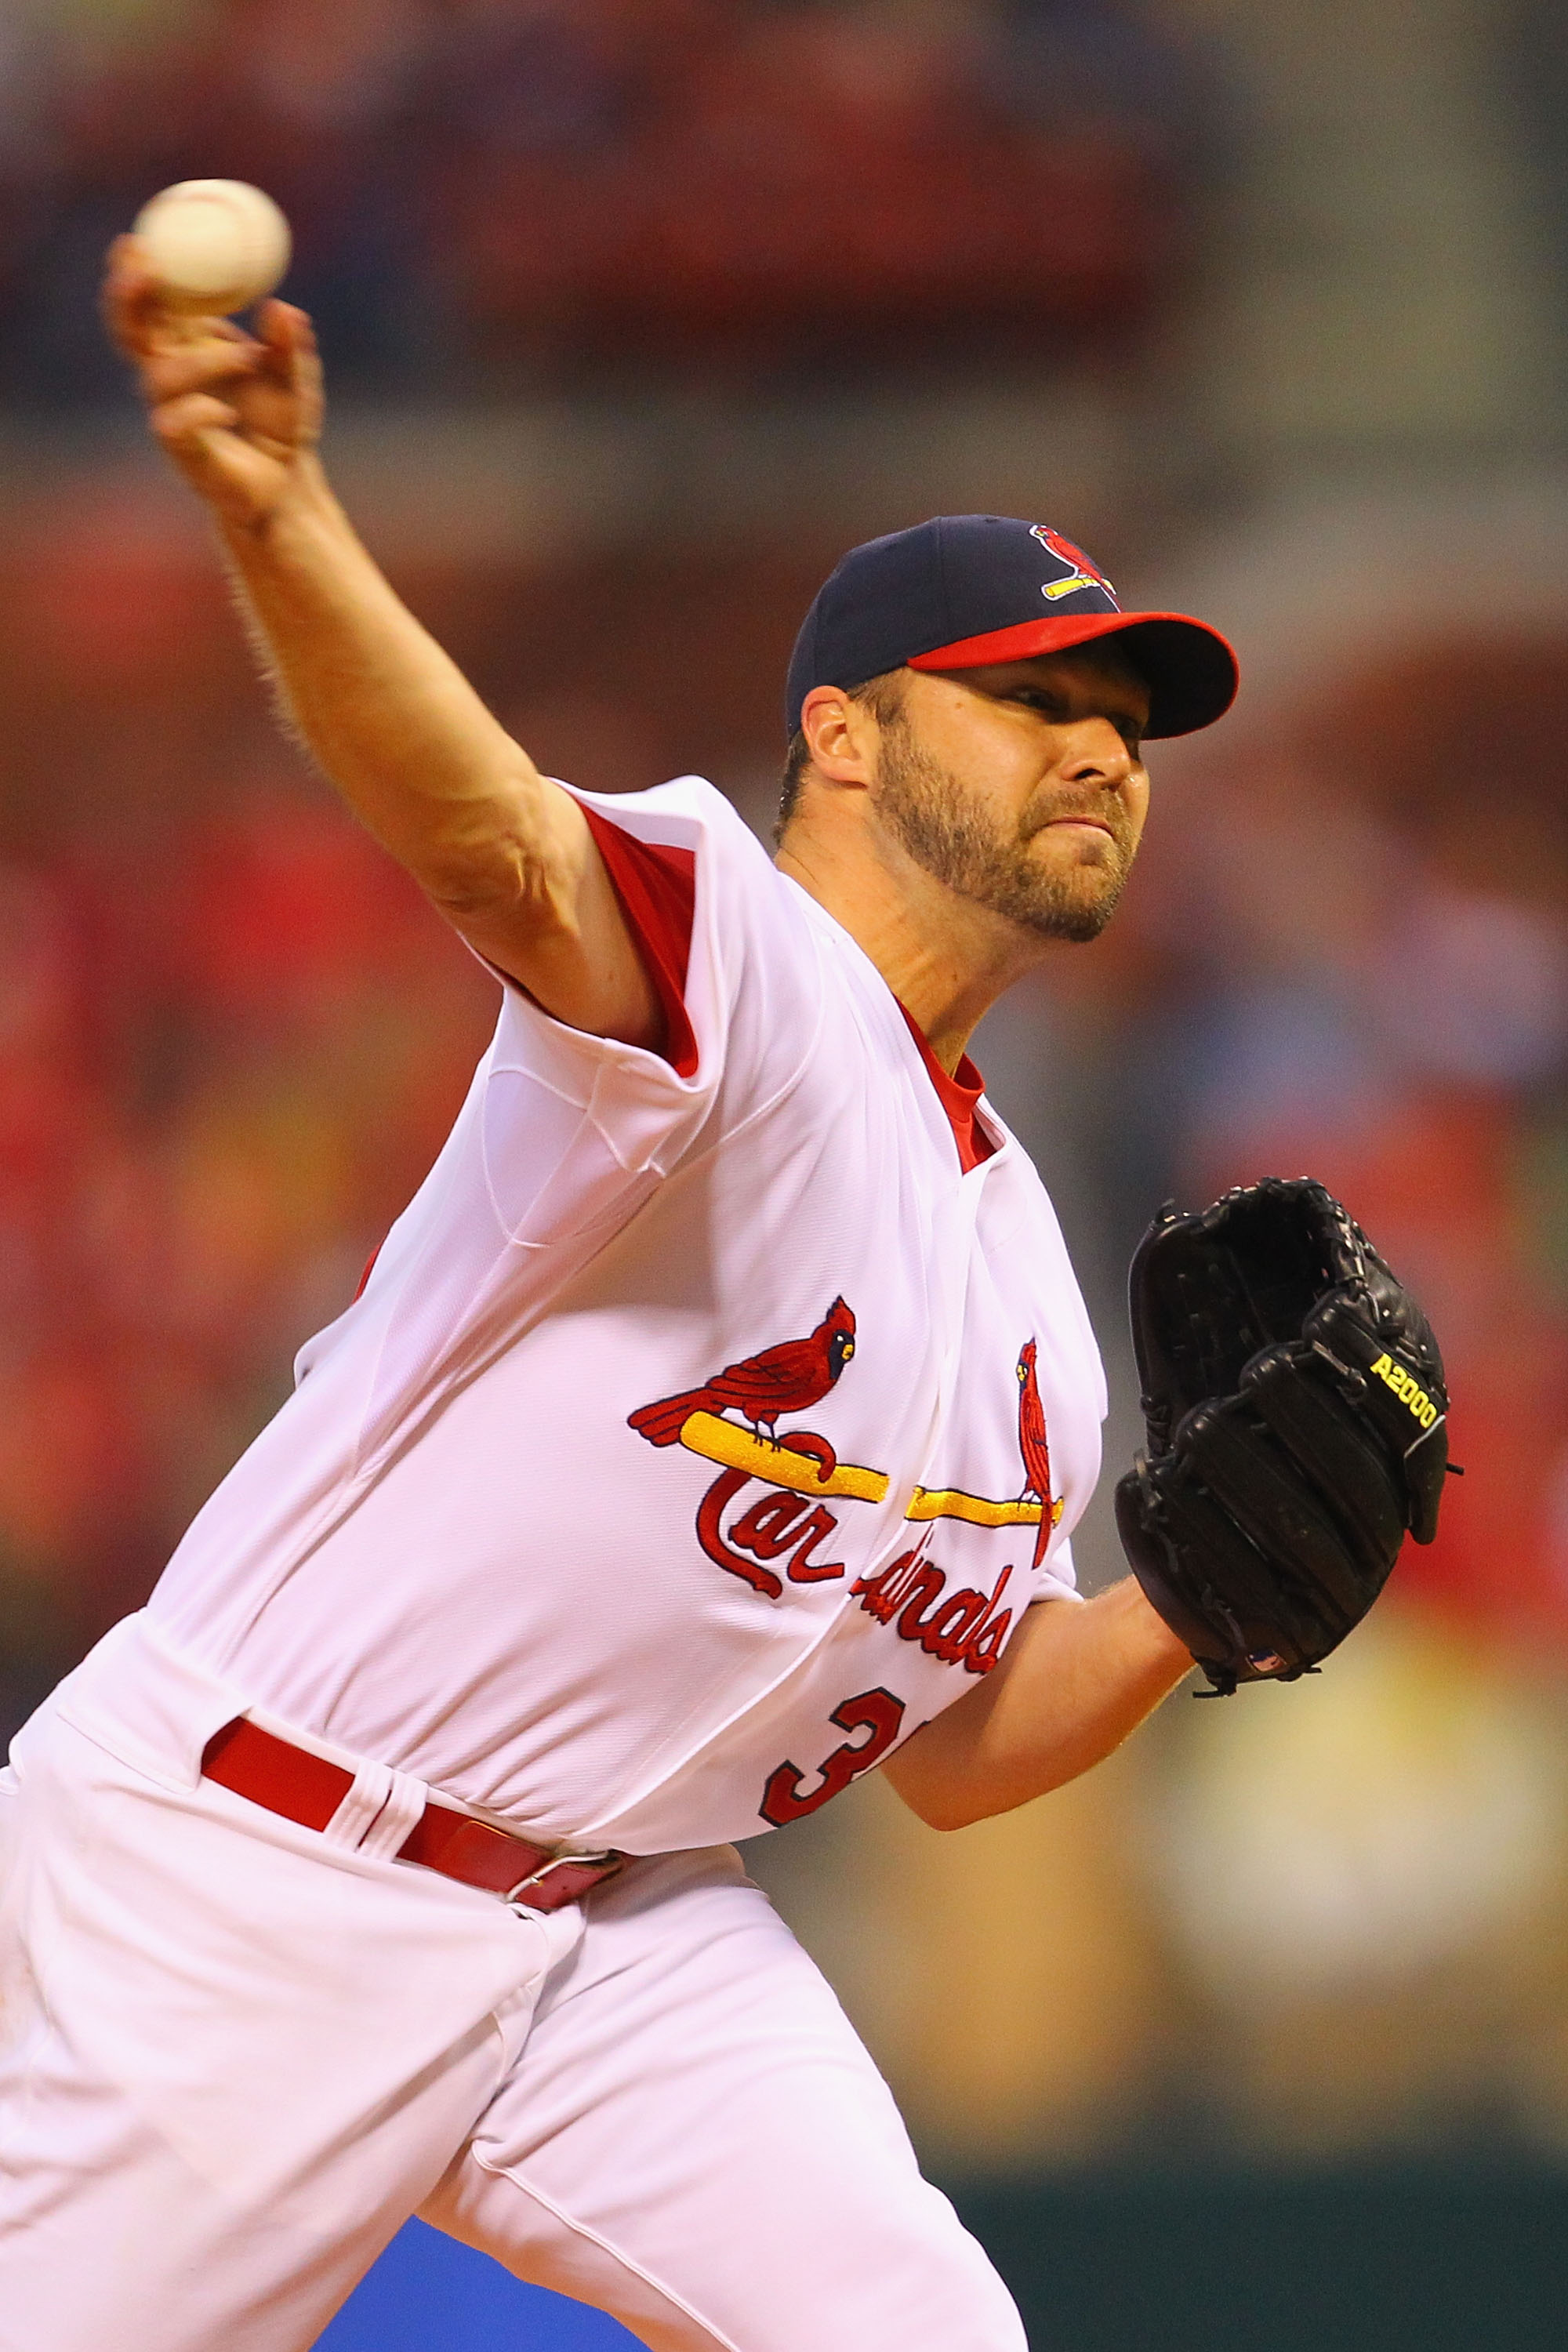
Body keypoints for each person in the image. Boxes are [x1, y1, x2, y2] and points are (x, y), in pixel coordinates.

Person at [0, 255, 1238, 2352]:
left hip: (628, 1933)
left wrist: (1201, 1616)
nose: (1101, 750)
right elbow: (490, 846)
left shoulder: (1027, 1269)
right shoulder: (739, 959)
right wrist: (280, 510)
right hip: (249, 1876)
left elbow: (944, 1749)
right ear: (841, 735)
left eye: (1123, 722)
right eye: (1035, 699)